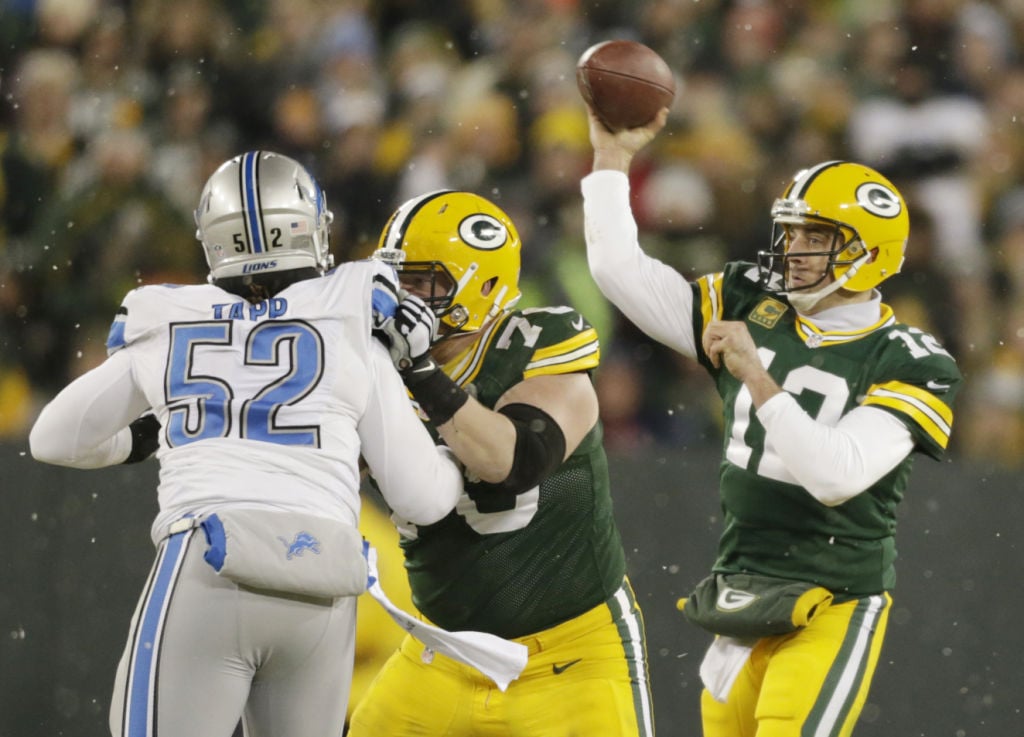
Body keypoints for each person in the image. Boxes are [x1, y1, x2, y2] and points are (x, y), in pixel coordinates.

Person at [28, 150, 465, 737]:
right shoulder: (352, 320)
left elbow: (52, 438)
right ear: (311, 226)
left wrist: (148, 438)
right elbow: (425, 500)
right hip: (323, 582)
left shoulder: (173, 320)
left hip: (209, 566)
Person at [580, 107, 963, 736]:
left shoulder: (913, 361)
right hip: (745, 587)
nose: (794, 250)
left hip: (834, 599)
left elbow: (835, 475)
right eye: (792, 233)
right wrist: (612, 160)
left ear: (868, 254)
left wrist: (758, 376)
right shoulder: (752, 303)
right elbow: (619, 271)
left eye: (816, 237)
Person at [347, 190, 655, 737]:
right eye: (395, 280)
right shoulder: (374, 362)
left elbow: (512, 461)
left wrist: (419, 373)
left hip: (572, 657)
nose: (403, 298)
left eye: (423, 282)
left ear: (484, 286)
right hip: (442, 651)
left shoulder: (537, 342)